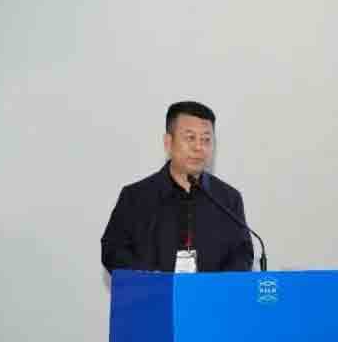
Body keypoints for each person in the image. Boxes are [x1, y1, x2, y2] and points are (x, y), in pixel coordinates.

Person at [101, 101, 254, 273]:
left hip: (211, 291)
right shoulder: (135, 197)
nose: (198, 147)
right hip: (152, 290)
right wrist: (149, 279)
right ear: (168, 142)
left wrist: (216, 284)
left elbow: (242, 254)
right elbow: (112, 251)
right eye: (190, 138)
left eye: (206, 140)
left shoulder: (228, 200)